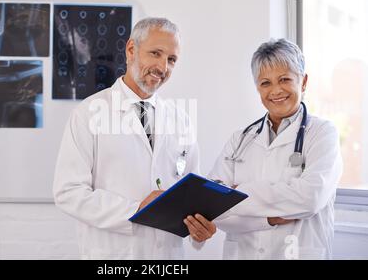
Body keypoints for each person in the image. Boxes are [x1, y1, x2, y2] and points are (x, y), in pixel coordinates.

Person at [53, 17, 216, 260]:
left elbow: (191, 193)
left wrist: (199, 228)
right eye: (155, 53)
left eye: (171, 59)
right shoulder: (89, 113)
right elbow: (69, 192)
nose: (163, 67)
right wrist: (136, 210)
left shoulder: (180, 119)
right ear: (131, 50)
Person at [209, 38, 343, 260]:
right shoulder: (240, 139)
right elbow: (212, 205)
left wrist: (237, 192)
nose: (276, 90)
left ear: (303, 81)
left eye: (284, 79)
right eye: (265, 83)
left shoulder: (322, 133)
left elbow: (310, 198)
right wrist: (268, 219)